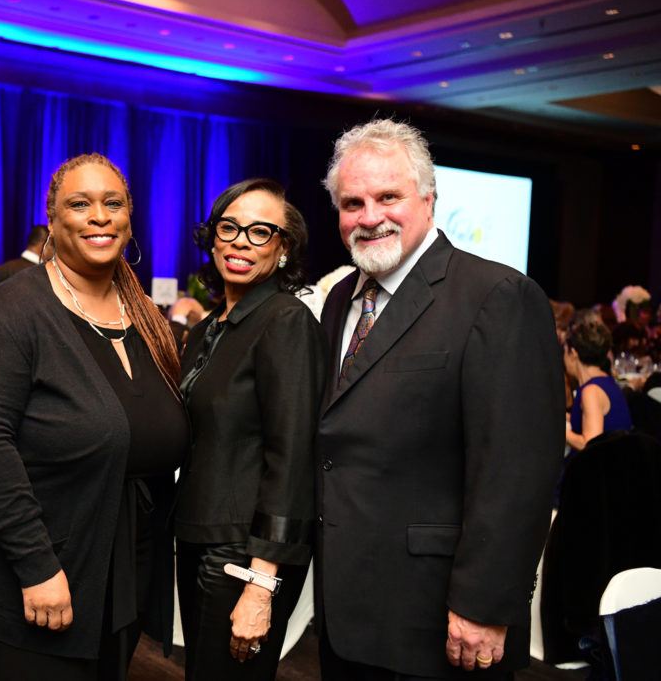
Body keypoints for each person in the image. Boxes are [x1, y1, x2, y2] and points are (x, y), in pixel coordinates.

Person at [315, 119, 564, 679]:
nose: (369, 216)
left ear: (428, 200)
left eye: (388, 197)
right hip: (349, 611)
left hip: (441, 617)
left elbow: (517, 470)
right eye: (352, 203)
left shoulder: (497, 296)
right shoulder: (340, 301)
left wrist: (484, 604)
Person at [0, 152, 186, 680]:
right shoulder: (13, 310)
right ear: (52, 221)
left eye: (112, 203)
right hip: (33, 580)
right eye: (80, 204)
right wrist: (37, 567)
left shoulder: (146, 318)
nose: (99, 216)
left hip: (119, 581)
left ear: (129, 218)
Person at [175, 178, 325, 680]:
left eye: (261, 232)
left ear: (284, 249)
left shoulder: (286, 321)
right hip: (199, 535)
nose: (241, 242)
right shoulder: (206, 329)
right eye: (230, 227)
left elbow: (293, 457)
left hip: (245, 554)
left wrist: (261, 583)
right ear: (212, 237)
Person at [564, 321, 632, 451]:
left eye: (565, 352)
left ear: (573, 353)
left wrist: (558, 430)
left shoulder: (592, 391)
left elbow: (590, 444)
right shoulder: (606, 381)